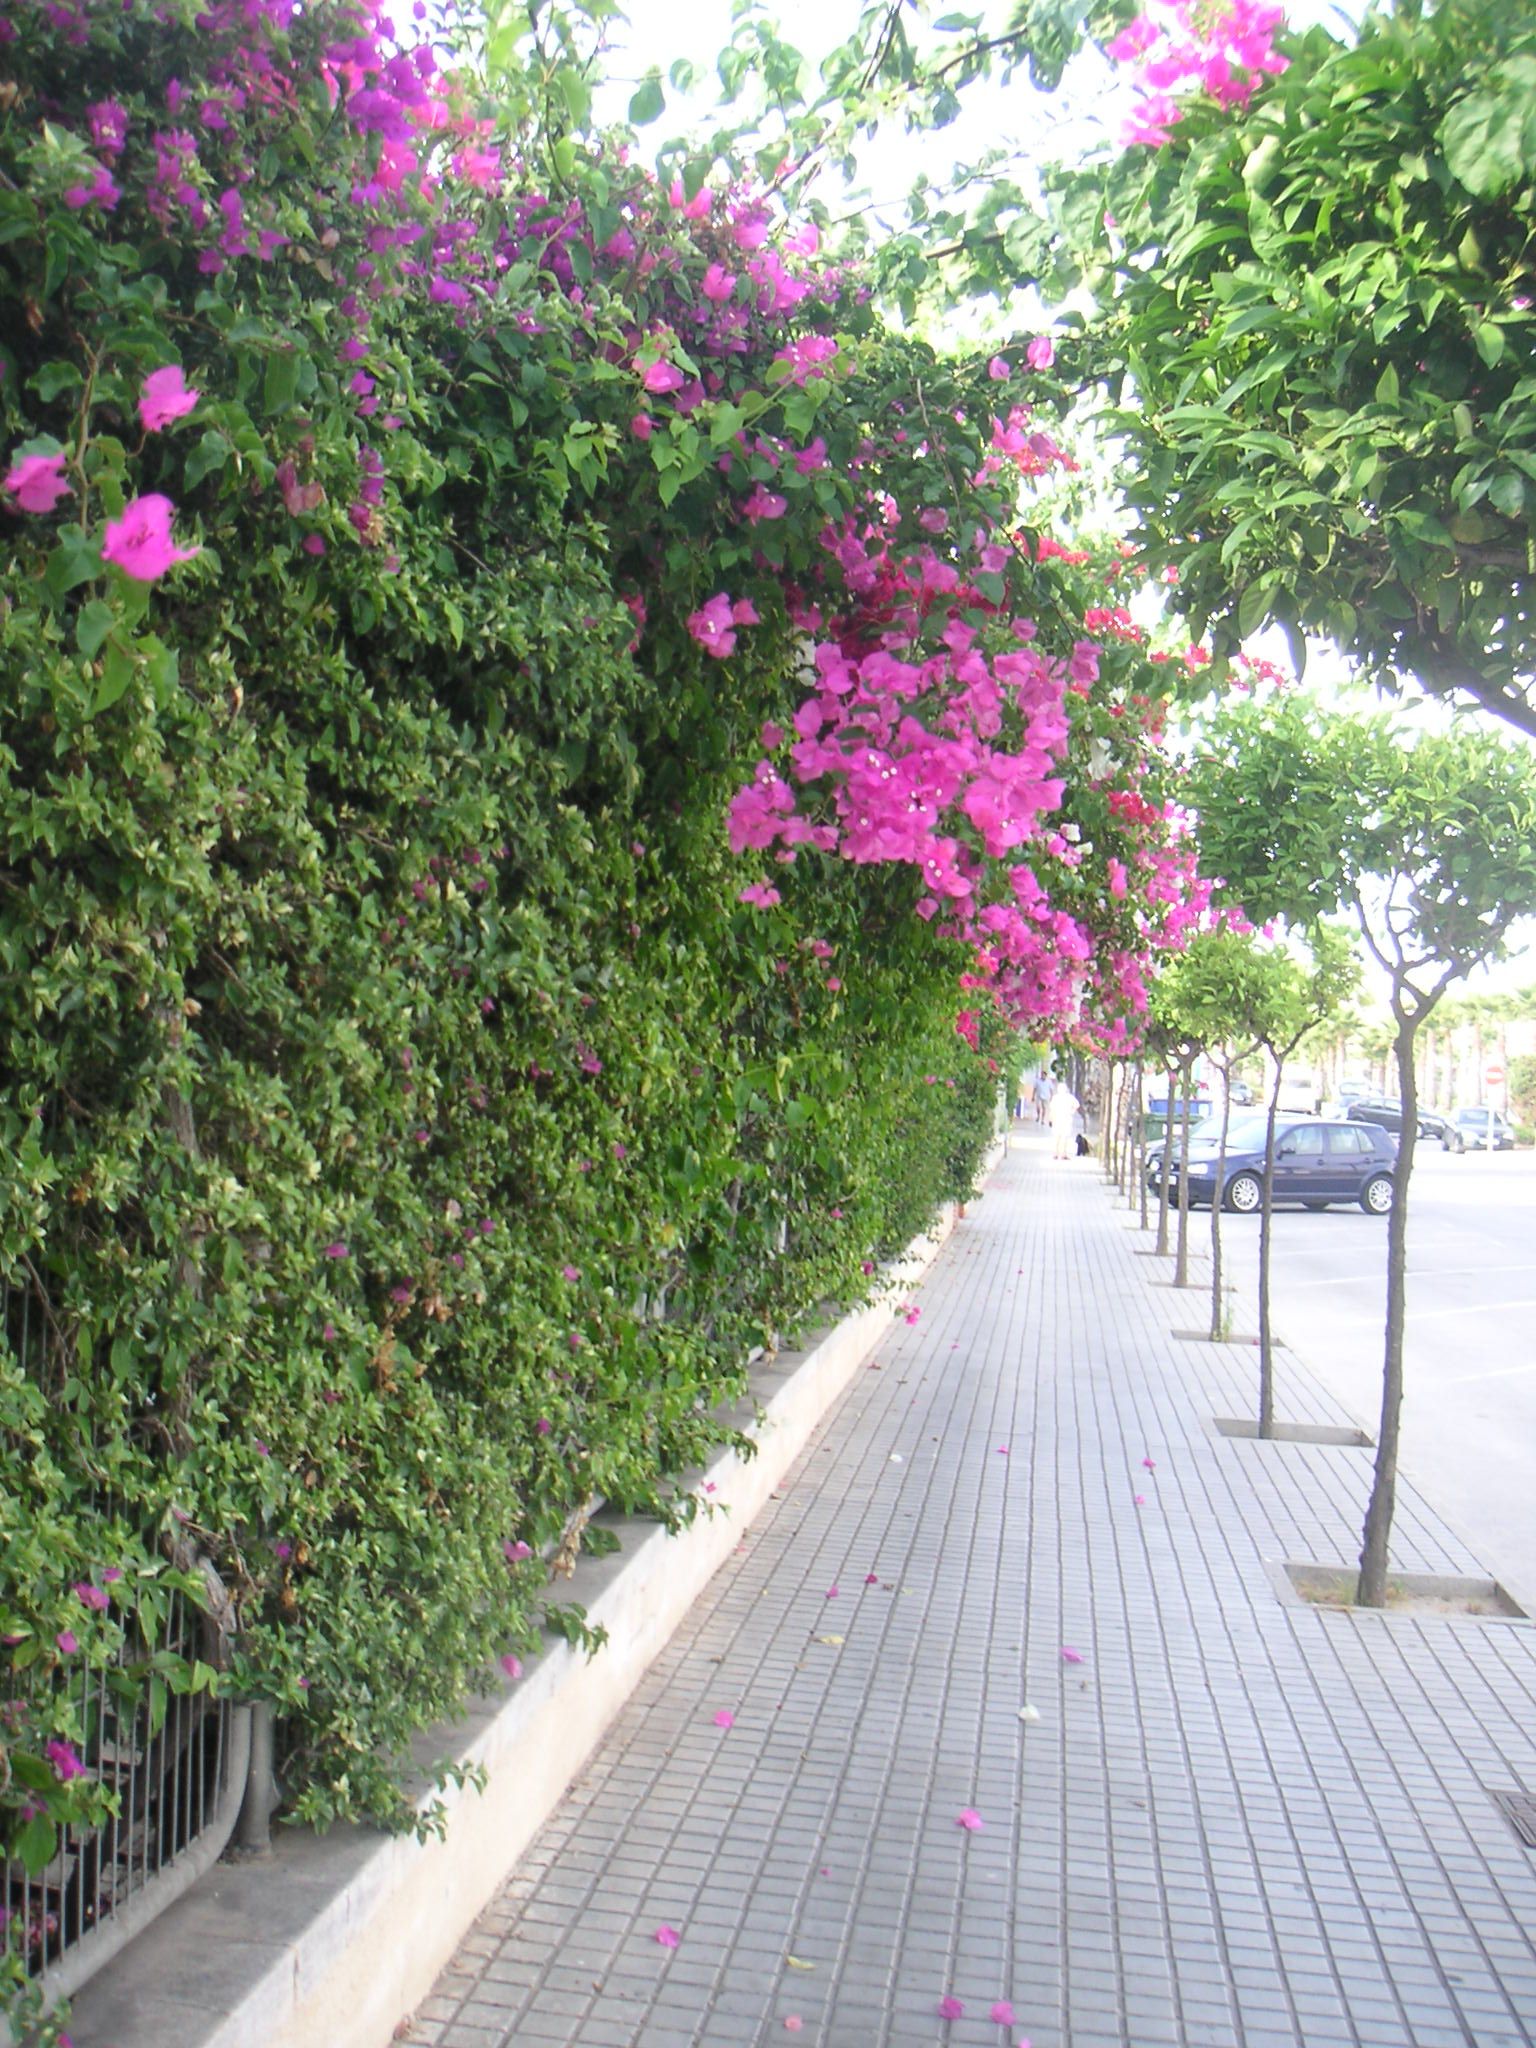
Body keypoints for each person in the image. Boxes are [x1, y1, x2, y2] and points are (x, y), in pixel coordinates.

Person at [1049, 1081, 1081, 1161]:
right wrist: (1072, 1111)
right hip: (1067, 1119)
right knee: (1064, 1137)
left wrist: (1051, 1119)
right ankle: (1063, 1154)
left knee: (1057, 1137)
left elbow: (1051, 1109)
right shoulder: (1069, 1097)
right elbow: (1077, 1105)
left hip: (1057, 1119)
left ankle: (1056, 1154)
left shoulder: (1056, 1098)